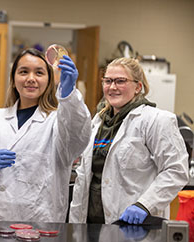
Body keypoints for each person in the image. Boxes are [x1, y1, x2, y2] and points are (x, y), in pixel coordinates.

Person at [0, 48, 91, 222]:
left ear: (49, 80)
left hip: (40, 222)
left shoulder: (59, 121)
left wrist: (69, 95)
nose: (31, 79)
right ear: (14, 80)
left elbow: (77, 140)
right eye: (24, 72)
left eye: (39, 73)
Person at [69, 57, 189, 224]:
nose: (112, 87)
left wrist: (144, 205)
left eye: (120, 81)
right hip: (90, 224)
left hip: (132, 224)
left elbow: (176, 170)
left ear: (138, 87)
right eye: (108, 81)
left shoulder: (156, 120)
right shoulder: (98, 122)